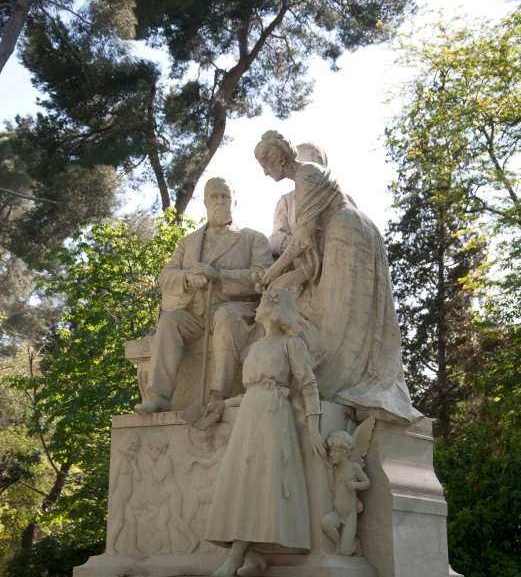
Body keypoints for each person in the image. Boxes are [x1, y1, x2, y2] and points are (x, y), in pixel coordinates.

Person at [254, 130, 421, 426]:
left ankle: (344, 380)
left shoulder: (306, 174)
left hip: (346, 234)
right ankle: (354, 377)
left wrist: (273, 270)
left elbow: (303, 237)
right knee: (348, 312)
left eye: (266, 166)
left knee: (341, 313)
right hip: (352, 230)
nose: (265, 174)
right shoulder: (306, 177)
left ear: (278, 158)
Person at [204, 288, 327, 577]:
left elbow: (308, 385)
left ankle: (235, 558)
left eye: (261, 303)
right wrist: (221, 404)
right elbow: (250, 391)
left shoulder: (290, 343)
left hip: (273, 415)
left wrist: (313, 430)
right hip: (249, 414)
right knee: (239, 484)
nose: (256, 307)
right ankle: (251, 554)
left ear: (273, 310)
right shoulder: (255, 348)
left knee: (258, 484)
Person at [135, 177, 273, 414]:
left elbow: (262, 277)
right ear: (205, 202)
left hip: (236, 309)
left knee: (224, 316)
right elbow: (165, 276)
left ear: (235, 201)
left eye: (225, 196)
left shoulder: (253, 238)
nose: (220, 201)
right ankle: (159, 396)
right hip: (196, 313)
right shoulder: (188, 242)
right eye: (214, 196)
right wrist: (188, 277)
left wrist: (219, 276)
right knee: (169, 322)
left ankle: (217, 395)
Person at [269, 143, 357, 258]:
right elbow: (276, 238)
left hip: (336, 258)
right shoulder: (286, 201)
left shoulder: (344, 198)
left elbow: (353, 234)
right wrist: (302, 246)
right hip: (301, 262)